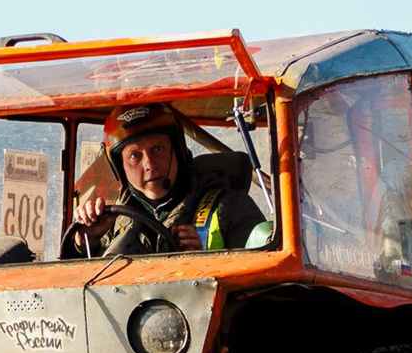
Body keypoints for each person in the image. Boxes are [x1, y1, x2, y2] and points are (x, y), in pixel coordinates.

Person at [61, 103, 269, 258]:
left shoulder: (233, 207)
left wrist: (204, 261)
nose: (149, 164)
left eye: (157, 149)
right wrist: (85, 239)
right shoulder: (111, 220)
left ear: (177, 151)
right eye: (135, 156)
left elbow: (259, 284)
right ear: (119, 167)